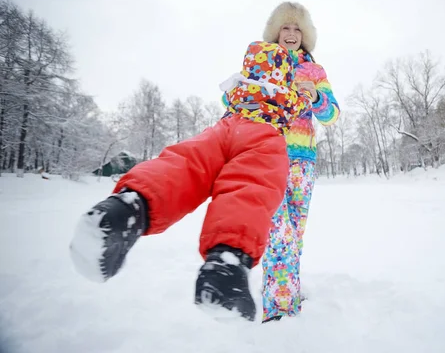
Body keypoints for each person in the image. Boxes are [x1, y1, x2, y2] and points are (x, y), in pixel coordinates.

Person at [69, 41, 311, 321]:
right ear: (284, 77)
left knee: (185, 164)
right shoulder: (287, 96)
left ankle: (127, 209)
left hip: (223, 130)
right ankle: (226, 265)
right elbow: (305, 105)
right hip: (261, 136)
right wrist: (306, 94)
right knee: (249, 186)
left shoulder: (237, 89)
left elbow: (227, 100)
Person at [260, 2, 340, 322]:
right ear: (275, 32)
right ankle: (278, 309)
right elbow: (242, 100)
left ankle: (288, 291)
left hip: (303, 162)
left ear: (304, 35)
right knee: (277, 232)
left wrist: (317, 98)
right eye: (285, 27)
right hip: (268, 157)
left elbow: (332, 115)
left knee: (295, 233)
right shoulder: (265, 65)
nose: (291, 34)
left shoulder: (315, 71)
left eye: (297, 28)